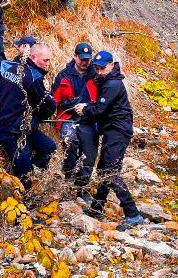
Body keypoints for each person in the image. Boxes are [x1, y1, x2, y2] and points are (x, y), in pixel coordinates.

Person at [73, 51, 144, 231]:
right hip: (113, 130)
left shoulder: (113, 84)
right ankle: (97, 207)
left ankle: (132, 213)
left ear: (112, 65)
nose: (99, 72)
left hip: (118, 131)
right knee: (104, 168)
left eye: (103, 68)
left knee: (110, 171)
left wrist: (85, 109)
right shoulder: (106, 79)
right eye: (96, 68)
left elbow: (100, 109)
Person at [0, 43, 57, 190]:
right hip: (12, 131)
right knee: (24, 172)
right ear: (33, 58)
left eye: (49, 60)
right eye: (45, 60)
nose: (47, 64)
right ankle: (24, 198)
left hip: (23, 125)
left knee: (49, 147)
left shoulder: (9, 66)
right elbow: (47, 107)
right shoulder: (34, 78)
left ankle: (30, 169)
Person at [51, 43, 97, 199]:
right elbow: (53, 101)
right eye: (82, 59)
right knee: (70, 141)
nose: (85, 63)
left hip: (88, 119)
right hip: (67, 118)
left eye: (87, 60)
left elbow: (102, 100)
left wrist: (87, 107)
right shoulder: (63, 75)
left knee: (89, 155)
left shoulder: (96, 75)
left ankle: (82, 187)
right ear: (75, 56)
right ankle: (68, 176)